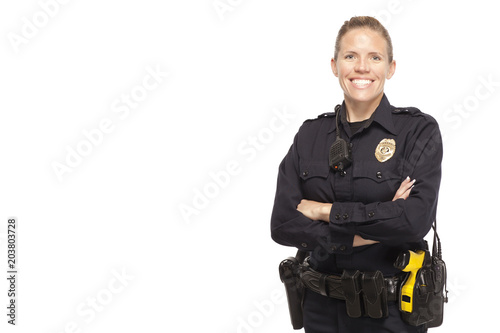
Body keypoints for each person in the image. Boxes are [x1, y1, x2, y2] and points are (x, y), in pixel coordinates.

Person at [270, 16, 442, 333]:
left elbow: (413, 221)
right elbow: (283, 225)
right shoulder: (309, 135)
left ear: (390, 68)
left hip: (391, 314)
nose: (362, 68)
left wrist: (325, 211)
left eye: (374, 57)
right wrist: (371, 228)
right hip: (319, 310)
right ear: (335, 65)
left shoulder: (417, 131)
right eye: (351, 56)